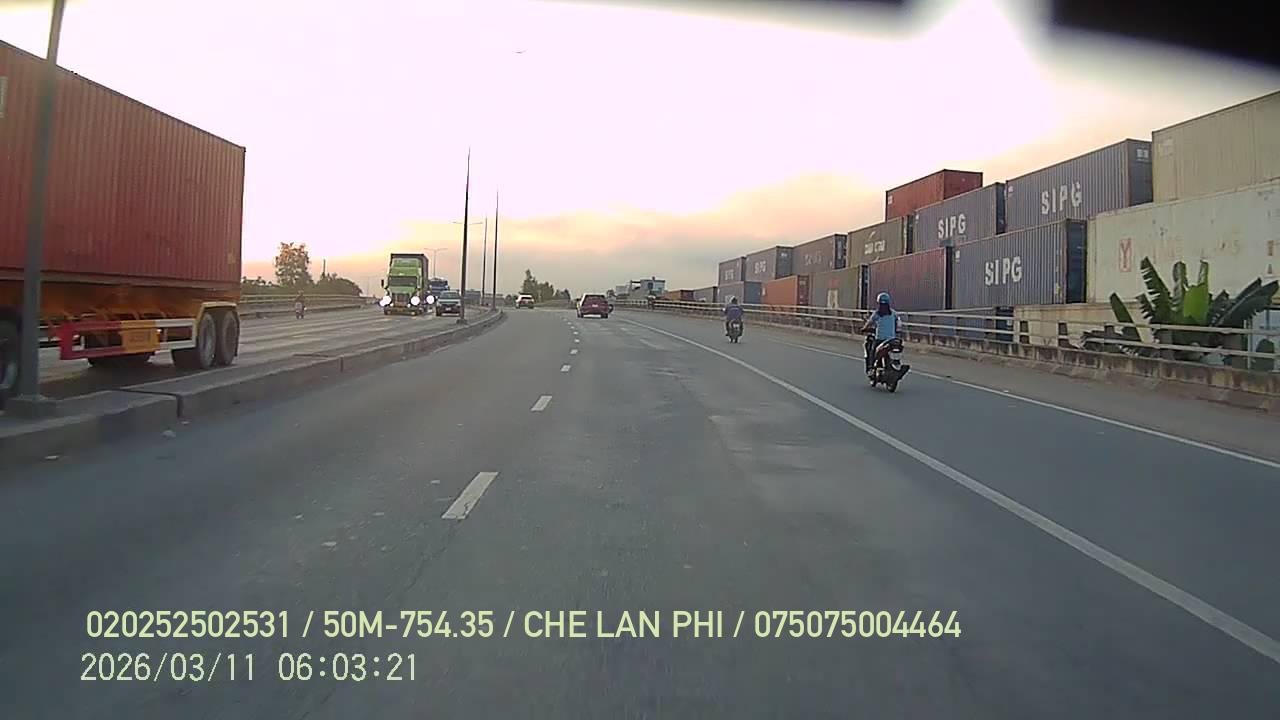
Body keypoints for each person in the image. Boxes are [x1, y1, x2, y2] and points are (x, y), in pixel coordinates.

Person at [860, 291, 902, 372]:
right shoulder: (893, 313)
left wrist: (864, 328)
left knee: (872, 351)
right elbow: (899, 324)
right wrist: (897, 331)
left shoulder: (877, 313)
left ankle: (871, 367)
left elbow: (869, 322)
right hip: (891, 339)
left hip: (880, 338)